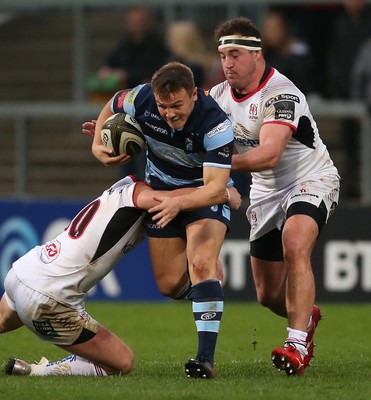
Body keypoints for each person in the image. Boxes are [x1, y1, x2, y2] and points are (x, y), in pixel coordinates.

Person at [0, 175, 235, 377]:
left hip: (24, 271)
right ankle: (38, 371)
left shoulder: (112, 195)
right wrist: (221, 193)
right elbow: (170, 199)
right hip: (50, 298)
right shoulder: (135, 193)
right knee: (121, 362)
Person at [210, 17, 340, 376]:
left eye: (234, 54)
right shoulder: (218, 97)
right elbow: (182, 129)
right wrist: (135, 133)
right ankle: (305, 315)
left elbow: (269, 154)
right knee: (267, 295)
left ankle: (296, 344)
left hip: (310, 178)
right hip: (265, 192)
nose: (227, 64)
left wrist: (217, 164)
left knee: (295, 242)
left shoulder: (282, 94)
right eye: (222, 56)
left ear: (256, 53)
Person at [90, 61, 236, 379]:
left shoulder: (215, 124)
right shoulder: (141, 98)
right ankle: (208, 287)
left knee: (200, 262)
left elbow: (214, 189)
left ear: (194, 95)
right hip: (161, 195)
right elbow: (113, 101)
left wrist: (178, 202)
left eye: (177, 105)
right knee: (169, 284)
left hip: (202, 198)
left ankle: (205, 359)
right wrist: (97, 146)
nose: (169, 113)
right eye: (163, 106)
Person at [326, 0, 371, 198]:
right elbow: (357, 74)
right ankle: (352, 188)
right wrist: (356, 101)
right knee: (350, 145)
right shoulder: (339, 24)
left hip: (360, 99)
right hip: (355, 99)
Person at [261, 10, 313, 95]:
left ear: (285, 29)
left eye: (277, 28)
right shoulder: (261, 57)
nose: (273, 32)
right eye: (269, 28)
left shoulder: (298, 54)